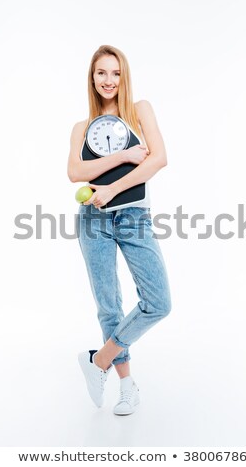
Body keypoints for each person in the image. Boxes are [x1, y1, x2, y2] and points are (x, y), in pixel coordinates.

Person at [67, 44, 172, 416]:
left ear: (123, 76)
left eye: (115, 73)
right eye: (101, 73)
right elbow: (76, 173)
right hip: (93, 220)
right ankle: (127, 386)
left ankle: (99, 360)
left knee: (158, 302)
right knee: (109, 305)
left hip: (133, 216)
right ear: (92, 78)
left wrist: (112, 188)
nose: (108, 80)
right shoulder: (82, 127)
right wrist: (125, 156)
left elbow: (159, 157)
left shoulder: (140, 111)